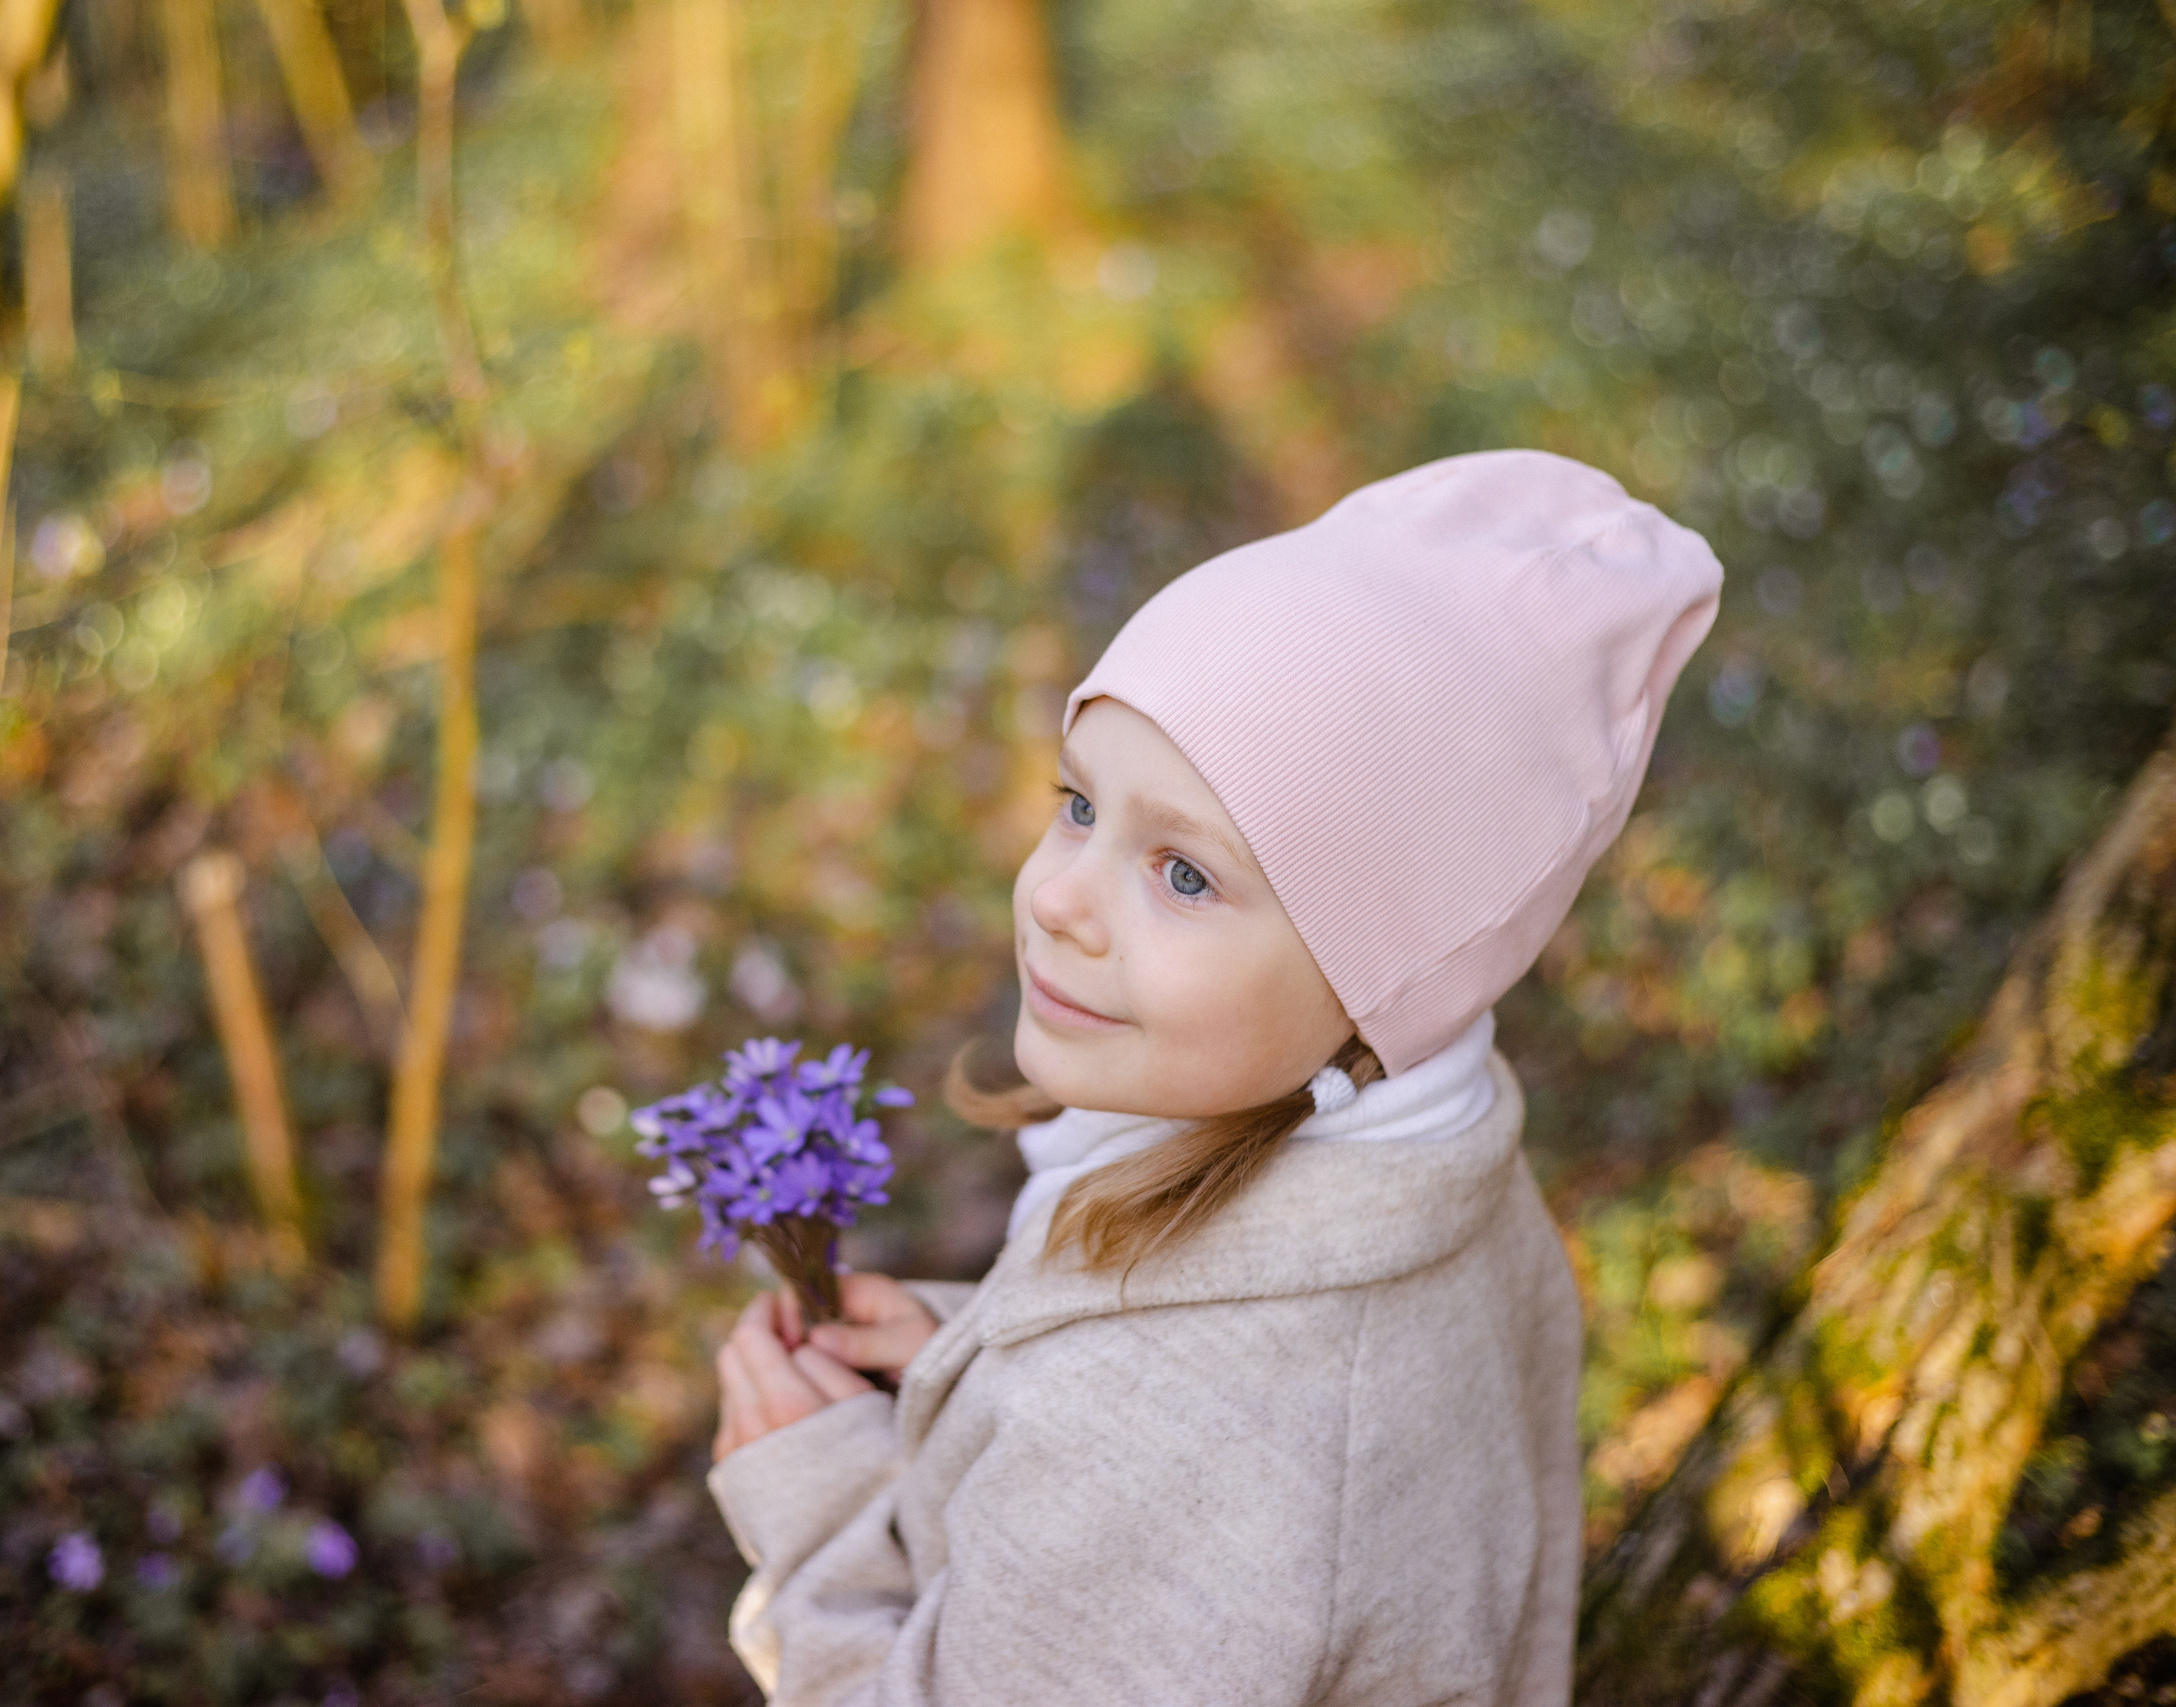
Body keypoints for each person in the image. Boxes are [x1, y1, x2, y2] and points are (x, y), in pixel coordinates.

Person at [703, 449, 1724, 1705]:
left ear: (1377, 971)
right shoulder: (1431, 1172)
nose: (1057, 899)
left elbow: (1181, 1472)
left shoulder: (1186, 1436)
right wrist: (962, 1366)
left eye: (1184, 874)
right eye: (1078, 805)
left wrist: (819, 1514)